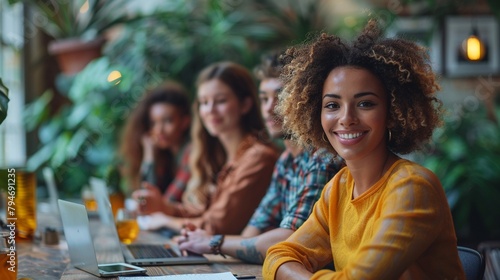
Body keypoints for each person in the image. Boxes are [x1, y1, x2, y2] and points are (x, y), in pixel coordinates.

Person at [263, 20, 466, 279]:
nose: (346, 118)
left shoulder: (412, 188)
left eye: (365, 103)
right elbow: (277, 256)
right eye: (333, 105)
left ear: (392, 113)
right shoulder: (337, 190)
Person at [176, 53, 344, 264]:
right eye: (264, 98)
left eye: (280, 97)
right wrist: (204, 241)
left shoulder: (321, 159)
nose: (268, 107)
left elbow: (290, 240)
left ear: (305, 101)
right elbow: (251, 233)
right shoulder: (286, 161)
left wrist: (212, 242)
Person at [135, 61, 279, 236]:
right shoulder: (220, 156)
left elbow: (216, 226)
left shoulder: (258, 157)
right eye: (204, 102)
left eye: (220, 101)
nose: (210, 110)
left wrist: (166, 220)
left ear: (245, 105)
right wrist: (164, 207)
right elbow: (203, 212)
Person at [120, 81, 191, 206]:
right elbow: (143, 197)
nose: (159, 130)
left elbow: (161, 203)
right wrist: (149, 155)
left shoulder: (191, 152)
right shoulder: (166, 157)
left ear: (185, 122)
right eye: (153, 123)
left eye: (168, 121)